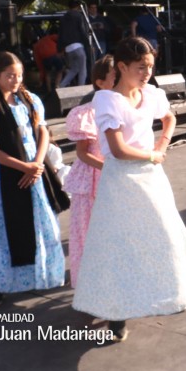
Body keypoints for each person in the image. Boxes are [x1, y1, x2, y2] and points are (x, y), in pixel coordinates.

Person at [73, 37, 186, 343]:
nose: (147, 72)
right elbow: (117, 150)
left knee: (160, 236)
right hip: (121, 180)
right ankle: (117, 314)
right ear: (121, 67)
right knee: (119, 246)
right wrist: (152, 155)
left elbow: (170, 117)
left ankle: (165, 296)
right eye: (140, 67)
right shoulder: (106, 100)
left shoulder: (152, 94)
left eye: (150, 67)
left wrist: (163, 143)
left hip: (150, 176)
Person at [0, 51, 65, 309]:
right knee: (3, 231)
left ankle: (39, 275)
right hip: (9, 173)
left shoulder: (30, 99)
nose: (16, 79)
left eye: (19, 74)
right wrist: (24, 166)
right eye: (10, 75)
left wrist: (36, 164)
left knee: (41, 223)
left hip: (35, 168)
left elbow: (43, 131)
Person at [62, 55, 115, 288]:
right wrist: (108, 167)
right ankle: (92, 282)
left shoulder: (122, 105)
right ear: (100, 82)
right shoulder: (87, 112)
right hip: (94, 178)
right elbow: (82, 153)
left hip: (114, 176)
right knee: (90, 231)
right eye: (116, 76)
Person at [59, 0, 90, 87]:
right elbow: (82, 30)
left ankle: (62, 85)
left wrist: (60, 49)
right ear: (78, 7)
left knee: (74, 69)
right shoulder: (78, 16)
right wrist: (88, 43)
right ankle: (81, 89)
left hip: (68, 48)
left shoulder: (63, 18)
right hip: (78, 45)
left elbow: (60, 34)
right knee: (83, 69)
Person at [33, 28, 64, 93]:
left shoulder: (36, 46)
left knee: (48, 73)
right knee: (60, 70)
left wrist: (41, 78)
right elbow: (60, 37)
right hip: (55, 55)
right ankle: (57, 85)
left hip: (45, 59)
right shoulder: (49, 37)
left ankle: (49, 90)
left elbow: (39, 63)